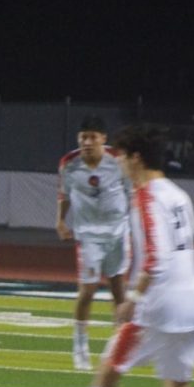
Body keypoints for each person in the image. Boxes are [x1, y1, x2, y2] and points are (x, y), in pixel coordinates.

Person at [56, 125, 194, 387]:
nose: (120, 166)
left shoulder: (146, 197)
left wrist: (132, 299)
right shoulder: (179, 194)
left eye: (123, 159)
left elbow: (156, 260)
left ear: (135, 158)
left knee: (109, 371)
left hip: (158, 308)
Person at [56, 116, 130, 370]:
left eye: (92, 137)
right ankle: (80, 346)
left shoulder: (119, 160)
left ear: (103, 139)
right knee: (87, 292)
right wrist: (60, 222)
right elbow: (64, 194)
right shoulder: (69, 164)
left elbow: (132, 193)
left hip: (118, 233)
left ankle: (119, 346)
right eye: (83, 138)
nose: (87, 142)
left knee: (118, 290)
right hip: (88, 236)